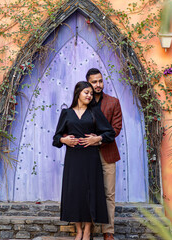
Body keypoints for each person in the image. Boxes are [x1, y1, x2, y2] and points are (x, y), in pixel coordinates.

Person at [53, 81, 116, 240]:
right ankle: (78, 231)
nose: (89, 95)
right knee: (75, 192)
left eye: (90, 93)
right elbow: (56, 138)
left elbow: (110, 133)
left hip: (91, 158)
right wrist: (64, 140)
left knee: (90, 192)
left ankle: (87, 230)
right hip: (73, 159)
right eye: (86, 92)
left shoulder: (95, 112)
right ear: (78, 94)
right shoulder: (66, 113)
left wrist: (98, 139)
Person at [85, 68, 122, 240]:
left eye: (100, 81)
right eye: (94, 82)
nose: (98, 84)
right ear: (88, 83)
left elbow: (116, 129)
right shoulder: (83, 102)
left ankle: (108, 231)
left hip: (107, 152)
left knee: (109, 193)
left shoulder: (113, 102)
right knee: (88, 191)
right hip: (86, 154)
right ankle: (88, 229)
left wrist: (98, 139)